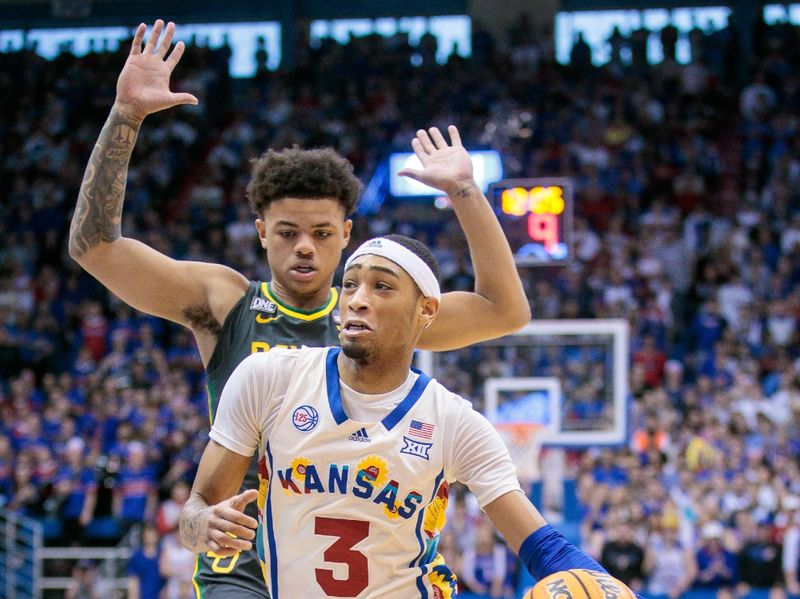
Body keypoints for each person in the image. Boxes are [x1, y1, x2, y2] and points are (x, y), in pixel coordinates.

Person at [68, 20, 530, 599]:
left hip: (357, 563)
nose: (305, 246)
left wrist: (466, 192)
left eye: (320, 232)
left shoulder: (378, 316)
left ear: (346, 234)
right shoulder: (226, 301)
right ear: (262, 233)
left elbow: (504, 310)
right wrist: (126, 117)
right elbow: (95, 249)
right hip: (244, 559)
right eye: (287, 232)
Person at [178, 235, 628, 598]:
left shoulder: (454, 422)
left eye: (382, 286)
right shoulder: (268, 378)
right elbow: (196, 514)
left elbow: (543, 547)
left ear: (426, 310)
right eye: (350, 284)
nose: (356, 299)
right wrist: (203, 525)